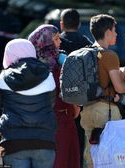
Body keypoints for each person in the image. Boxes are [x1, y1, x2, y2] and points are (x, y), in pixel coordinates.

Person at [0, 39, 56, 168]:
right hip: (45, 141)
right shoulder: (48, 75)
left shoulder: (2, 78)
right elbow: (51, 104)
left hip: (13, 142)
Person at [80, 14, 125, 168]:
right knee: (110, 159)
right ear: (108, 32)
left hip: (87, 110)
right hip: (105, 110)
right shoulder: (110, 55)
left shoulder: (86, 52)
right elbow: (119, 87)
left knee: (92, 158)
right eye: (114, 30)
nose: (116, 34)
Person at [28, 24, 80, 168]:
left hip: (62, 120)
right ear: (46, 42)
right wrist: (75, 107)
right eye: (56, 39)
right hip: (56, 123)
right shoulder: (34, 66)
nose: (60, 42)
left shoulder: (56, 62)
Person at [59, 8, 93, 168]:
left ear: (61, 24)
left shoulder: (57, 42)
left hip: (61, 98)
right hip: (82, 99)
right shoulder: (86, 43)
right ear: (79, 24)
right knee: (79, 140)